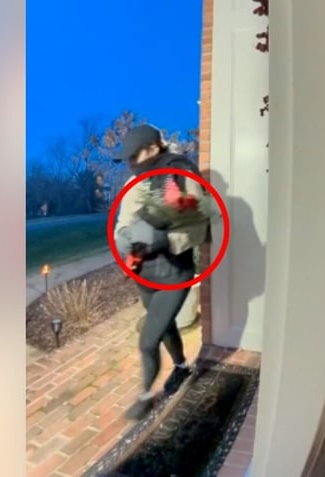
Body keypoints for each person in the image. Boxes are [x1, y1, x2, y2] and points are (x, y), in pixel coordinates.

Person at [113, 124, 208, 421]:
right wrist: (124, 243)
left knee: (148, 339)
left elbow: (200, 227)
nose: (130, 163)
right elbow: (122, 224)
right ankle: (181, 367)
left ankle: (145, 397)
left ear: (154, 148)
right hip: (146, 274)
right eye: (127, 158)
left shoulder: (180, 173)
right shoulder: (134, 183)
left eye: (134, 156)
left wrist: (166, 239)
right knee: (165, 327)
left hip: (173, 273)